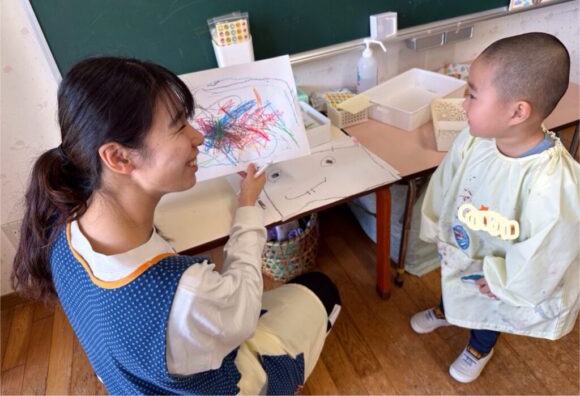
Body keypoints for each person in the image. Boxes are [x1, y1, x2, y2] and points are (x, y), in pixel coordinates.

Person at [11, 56, 340, 395]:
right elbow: (242, 309)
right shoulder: (185, 293)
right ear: (119, 157)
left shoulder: (59, 221)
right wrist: (247, 207)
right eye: (180, 126)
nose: (199, 136)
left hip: (129, 380)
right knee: (320, 287)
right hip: (225, 384)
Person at [410, 32, 579, 383]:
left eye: (472, 95)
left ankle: (480, 346)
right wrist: (437, 227)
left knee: (487, 303)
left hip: (499, 270)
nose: (463, 104)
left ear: (517, 111)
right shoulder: (476, 140)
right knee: (454, 276)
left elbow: (548, 248)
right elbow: (446, 181)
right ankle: (446, 310)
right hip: (465, 243)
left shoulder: (552, 183)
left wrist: (505, 281)